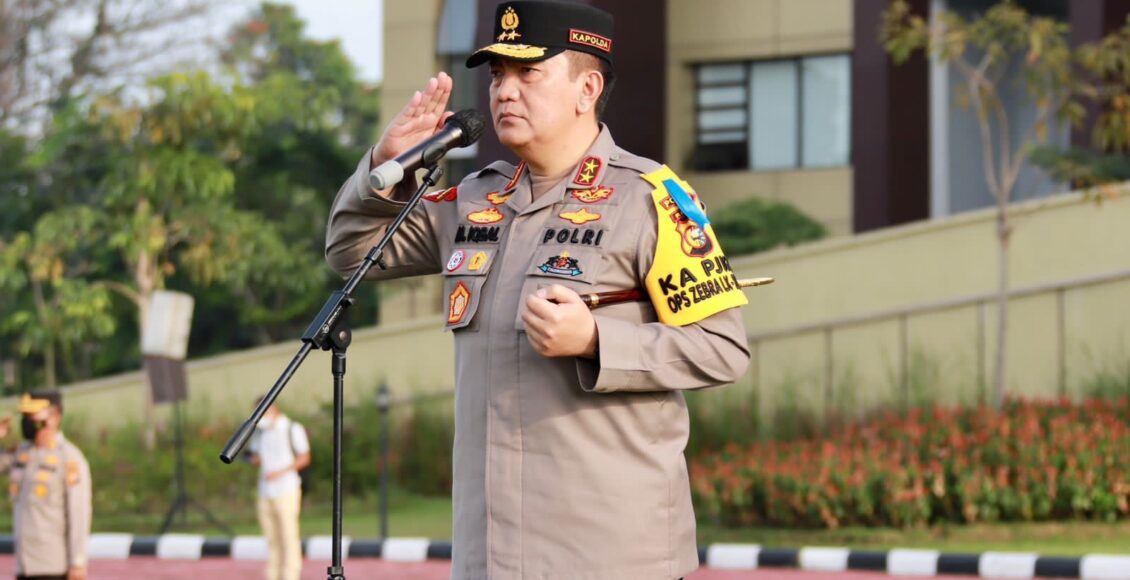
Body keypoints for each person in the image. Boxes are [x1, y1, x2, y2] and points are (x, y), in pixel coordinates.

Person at [326, 2, 750, 578]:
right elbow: (351, 253)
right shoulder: (475, 200)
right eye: (498, 74)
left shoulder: (650, 199)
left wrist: (596, 341)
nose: (504, 91)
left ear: (587, 89)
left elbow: (723, 348)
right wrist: (384, 163)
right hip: (489, 556)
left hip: (611, 557)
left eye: (528, 72)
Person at [0, 390, 91, 580]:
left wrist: (77, 562)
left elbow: (79, 514)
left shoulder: (69, 457)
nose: (28, 422)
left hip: (53, 566)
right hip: (24, 565)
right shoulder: (21, 453)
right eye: (25, 416)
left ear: (55, 416)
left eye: (33, 415)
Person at [248, 401, 310, 580]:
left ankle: (290, 575)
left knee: (288, 535)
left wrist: (280, 472)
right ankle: (273, 575)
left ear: (272, 408)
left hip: (287, 489)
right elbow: (257, 457)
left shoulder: (292, 428)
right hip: (265, 491)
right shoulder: (259, 432)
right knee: (271, 537)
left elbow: (304, 457)